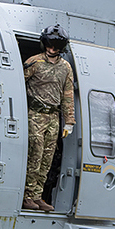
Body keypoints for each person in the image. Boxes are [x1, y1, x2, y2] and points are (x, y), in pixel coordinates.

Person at [23, 25, 75, 211]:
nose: (52, 50)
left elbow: (67, 95)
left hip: (53, 117)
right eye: (49, 45)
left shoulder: (65, 68)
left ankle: (37, 195)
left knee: (47, 158)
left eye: (56, 47)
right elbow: (19, 83)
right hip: (35, 115)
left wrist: (69, 121)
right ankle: (27, 195)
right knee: (34, 155)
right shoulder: (34, 63)